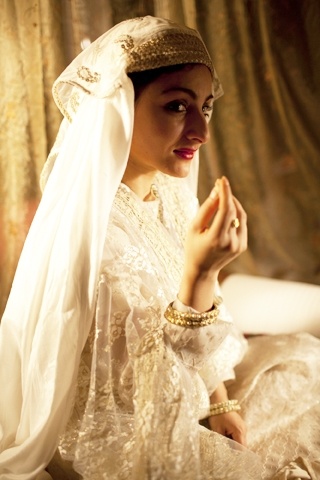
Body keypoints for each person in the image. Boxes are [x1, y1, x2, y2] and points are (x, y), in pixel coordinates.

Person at [0, 15, 319, 480]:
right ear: (121, 107)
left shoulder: (168, 193)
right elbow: (154, 390)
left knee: (304, 371)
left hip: (192, 396)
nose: (201, 132)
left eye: (205, 107)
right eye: (176, 106)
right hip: (134, 428)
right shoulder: (93, 235)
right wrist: (201, 273)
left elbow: (202, 343)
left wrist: (221, 400)